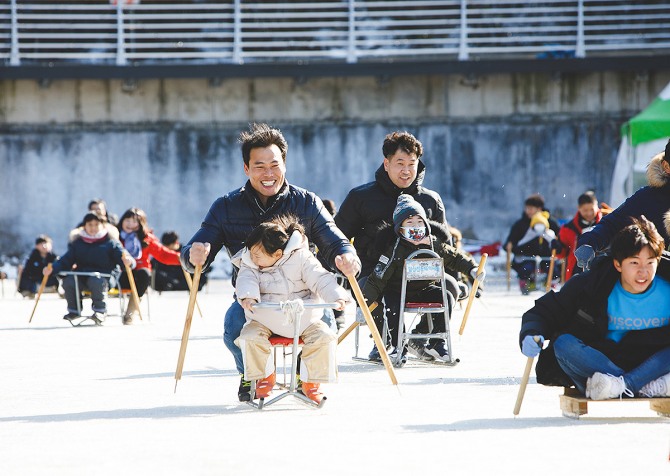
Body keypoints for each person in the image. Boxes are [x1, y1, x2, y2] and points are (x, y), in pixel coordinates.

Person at [180, 123, 360, 402]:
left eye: (274, 165)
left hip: (302, 300)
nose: (268, 174)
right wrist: (194, 254)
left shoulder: (307, 203)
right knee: (233, 328)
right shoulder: (226, 207)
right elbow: (200, 244)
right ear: (246, 168)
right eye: (259, 166)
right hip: (254, 302)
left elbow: (334, 241)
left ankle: (307, 377)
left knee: (327, 327)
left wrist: (346, 258)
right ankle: (254, 374)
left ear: (285, 165)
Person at [519, 216, 670, 400]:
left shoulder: (666, 288)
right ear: (618, 264)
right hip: (601, 366)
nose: (643, 272)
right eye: (634, 262)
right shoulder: (593, 284)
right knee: (564, 344)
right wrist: (531, 331)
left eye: (650, 263)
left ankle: (625, 385)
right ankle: (638, 385)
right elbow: (546, 311)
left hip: (654, 364)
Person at [335, 130, 454, 360]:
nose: (407, 170)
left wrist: (461, 274)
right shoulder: (361, 197)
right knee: (367, 289)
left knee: (449, 286)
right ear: (386, 163)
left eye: (412, 163)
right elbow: (337, 238)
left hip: (421, 275)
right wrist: (332, 270)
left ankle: (426, 340)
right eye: (400, 163)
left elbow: (445, 243)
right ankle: (385, 341)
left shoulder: (430, 200)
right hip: (375, 273)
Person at [234, 215, 349, 403]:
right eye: (252, 253)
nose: (253, 258)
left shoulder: (302, 258)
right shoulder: (250, 263)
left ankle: (310, 383)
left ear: (277, 254)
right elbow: (246, 279)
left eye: (258, 254)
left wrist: (336, 296)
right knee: (249, 338)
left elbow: (320, 278)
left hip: (303, 319)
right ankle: (264, 376)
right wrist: (248, 295)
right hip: (265, 318)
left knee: (324, 337)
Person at [362, 195, 484, 363]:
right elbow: (379, 277)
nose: (416, 227)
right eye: (409, 223)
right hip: (397, 290)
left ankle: (437, 343)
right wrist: (365, 300)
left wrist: (472, 269)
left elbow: (455, 257)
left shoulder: (434, 244)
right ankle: (398, 346)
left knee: (445, 296)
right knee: (392, 306)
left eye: (419, 222)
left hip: (423, 289)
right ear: (400, 228)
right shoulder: (395, 249)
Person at [575, 140, 670, 270]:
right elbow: (612, 224)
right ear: (666, 166)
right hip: (654, 279)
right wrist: (589, 243)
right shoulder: (647, 198)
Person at [43, 212, 135, 324]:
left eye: (96, 224)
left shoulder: (110, 242)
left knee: (95, 280)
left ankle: (100, 311)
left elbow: (123, 256)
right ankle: (74, 311)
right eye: (90, 224)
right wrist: (53, 268)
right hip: (82, 276)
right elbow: (66, 260)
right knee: (69, 280)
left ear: (102, 225)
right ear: (84, 226)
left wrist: (128, 261)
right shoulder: (78, 243)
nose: (93, 228)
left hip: (104, 277)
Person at [116, 208, 181, 325]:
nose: (130, 224)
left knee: (144, 274)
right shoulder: (115, 236)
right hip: (120, 274)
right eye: (128, 220)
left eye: (134, 221)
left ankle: (131, 311)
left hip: (139, 276)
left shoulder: (146, 239)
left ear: (140, 224)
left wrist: (183, 258)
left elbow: (163, 254)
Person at [504, 193, 561, 294]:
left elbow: (560, 240)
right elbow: (510, 240)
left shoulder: (551, 223)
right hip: (526, 256)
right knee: (525, 269)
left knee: (554, 271)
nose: (528, 211)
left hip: (547, 256)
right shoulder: (520, 224)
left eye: (531, 208)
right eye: (527, 208)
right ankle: (526, 284)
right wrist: (510, 245)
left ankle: (549, 284)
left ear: (539, 209)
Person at [555, 191, 604, 281]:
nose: (589, 213)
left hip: (602, 270)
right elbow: (563, 253)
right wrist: (558, 248)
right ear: (579, 208)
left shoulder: (606, 223)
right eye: (585, 210)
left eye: (592, 210)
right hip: (576, 272)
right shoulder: (568, 228)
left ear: (596, 206)